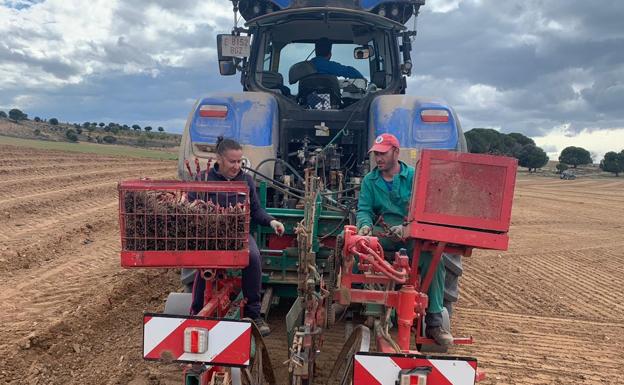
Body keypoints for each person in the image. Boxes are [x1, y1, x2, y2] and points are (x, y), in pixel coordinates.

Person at [356, 133, 454, 347]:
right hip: (383, 235)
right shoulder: (369, 181)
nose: (378, 158)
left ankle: (435, 322)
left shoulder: (414, 177)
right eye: (376, 154)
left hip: (411, 238)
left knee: (433, 261)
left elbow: (426, 208)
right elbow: (364, 209)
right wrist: (364, 225)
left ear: (396, 152)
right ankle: (362, 306)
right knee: (359, 252)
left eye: (383, 154)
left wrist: (408, 227)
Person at [190, 137, 284, 336]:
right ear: (219, 159)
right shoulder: (204, 179)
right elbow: (188, 207)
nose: (237, 166)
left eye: (240, 161)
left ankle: (253, 314)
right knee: (201, 262)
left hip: (237, 234)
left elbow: (257, 210)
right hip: (210, 236)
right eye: (232, 161)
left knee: (253, 257)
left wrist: (271, 221)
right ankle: (197, 311)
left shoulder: (246, 180)